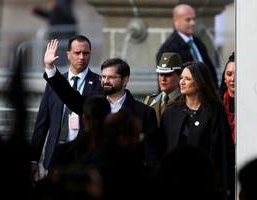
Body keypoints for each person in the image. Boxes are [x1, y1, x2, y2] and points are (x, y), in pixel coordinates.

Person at [42, 39, 159, 171]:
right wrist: (50, 69)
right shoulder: (93, 104)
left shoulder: (143, 112)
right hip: (94, 177)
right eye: (103, 77)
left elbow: (151, 155)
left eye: (111, 77)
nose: (105, 81)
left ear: (125, 80)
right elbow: (69, 96)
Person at [158, 61, 235, 200]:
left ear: (200, 82)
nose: (182, 82)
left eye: (187, 79)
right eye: (181, 78)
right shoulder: (171, 112)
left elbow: (223, 154)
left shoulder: (215, 113)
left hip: (204, 187)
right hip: (174, 187)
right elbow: (162, 151)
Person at [30, 35, 103, 180]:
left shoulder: (98, 83)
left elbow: (77, 102)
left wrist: (51, 70)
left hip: (82, 156)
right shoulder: (55, 82)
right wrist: (33, 158)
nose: (81, 57)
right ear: (68, 55)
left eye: (86, 53)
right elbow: (42, 121)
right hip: (55, 155)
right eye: (77, 53)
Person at [156, 3, 218, 89]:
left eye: (193, 19)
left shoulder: (198, 43)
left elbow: (211, 72)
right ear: (176, 21)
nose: (192, 23)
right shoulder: (168, 48)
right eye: (187, 20)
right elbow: (166, 84)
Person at [29, 0, 77, 66]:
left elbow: (62, 17)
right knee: (56, 57)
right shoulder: (58, 3)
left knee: (59, 56)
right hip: (58, 34)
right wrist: (38, 11)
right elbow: (53, 15)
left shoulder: (61, 3)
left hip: (62, 34)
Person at [144, 52, 182, 127]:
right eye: (161, 74)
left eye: (168, 75)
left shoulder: (185, 100)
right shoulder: (151, 101)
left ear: (179, 76)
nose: (163, 79)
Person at [218, 52, 235, 145]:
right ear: (224, 77)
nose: (233, 79)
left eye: (237, 74)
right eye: (229, 74)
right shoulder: (216, 104)